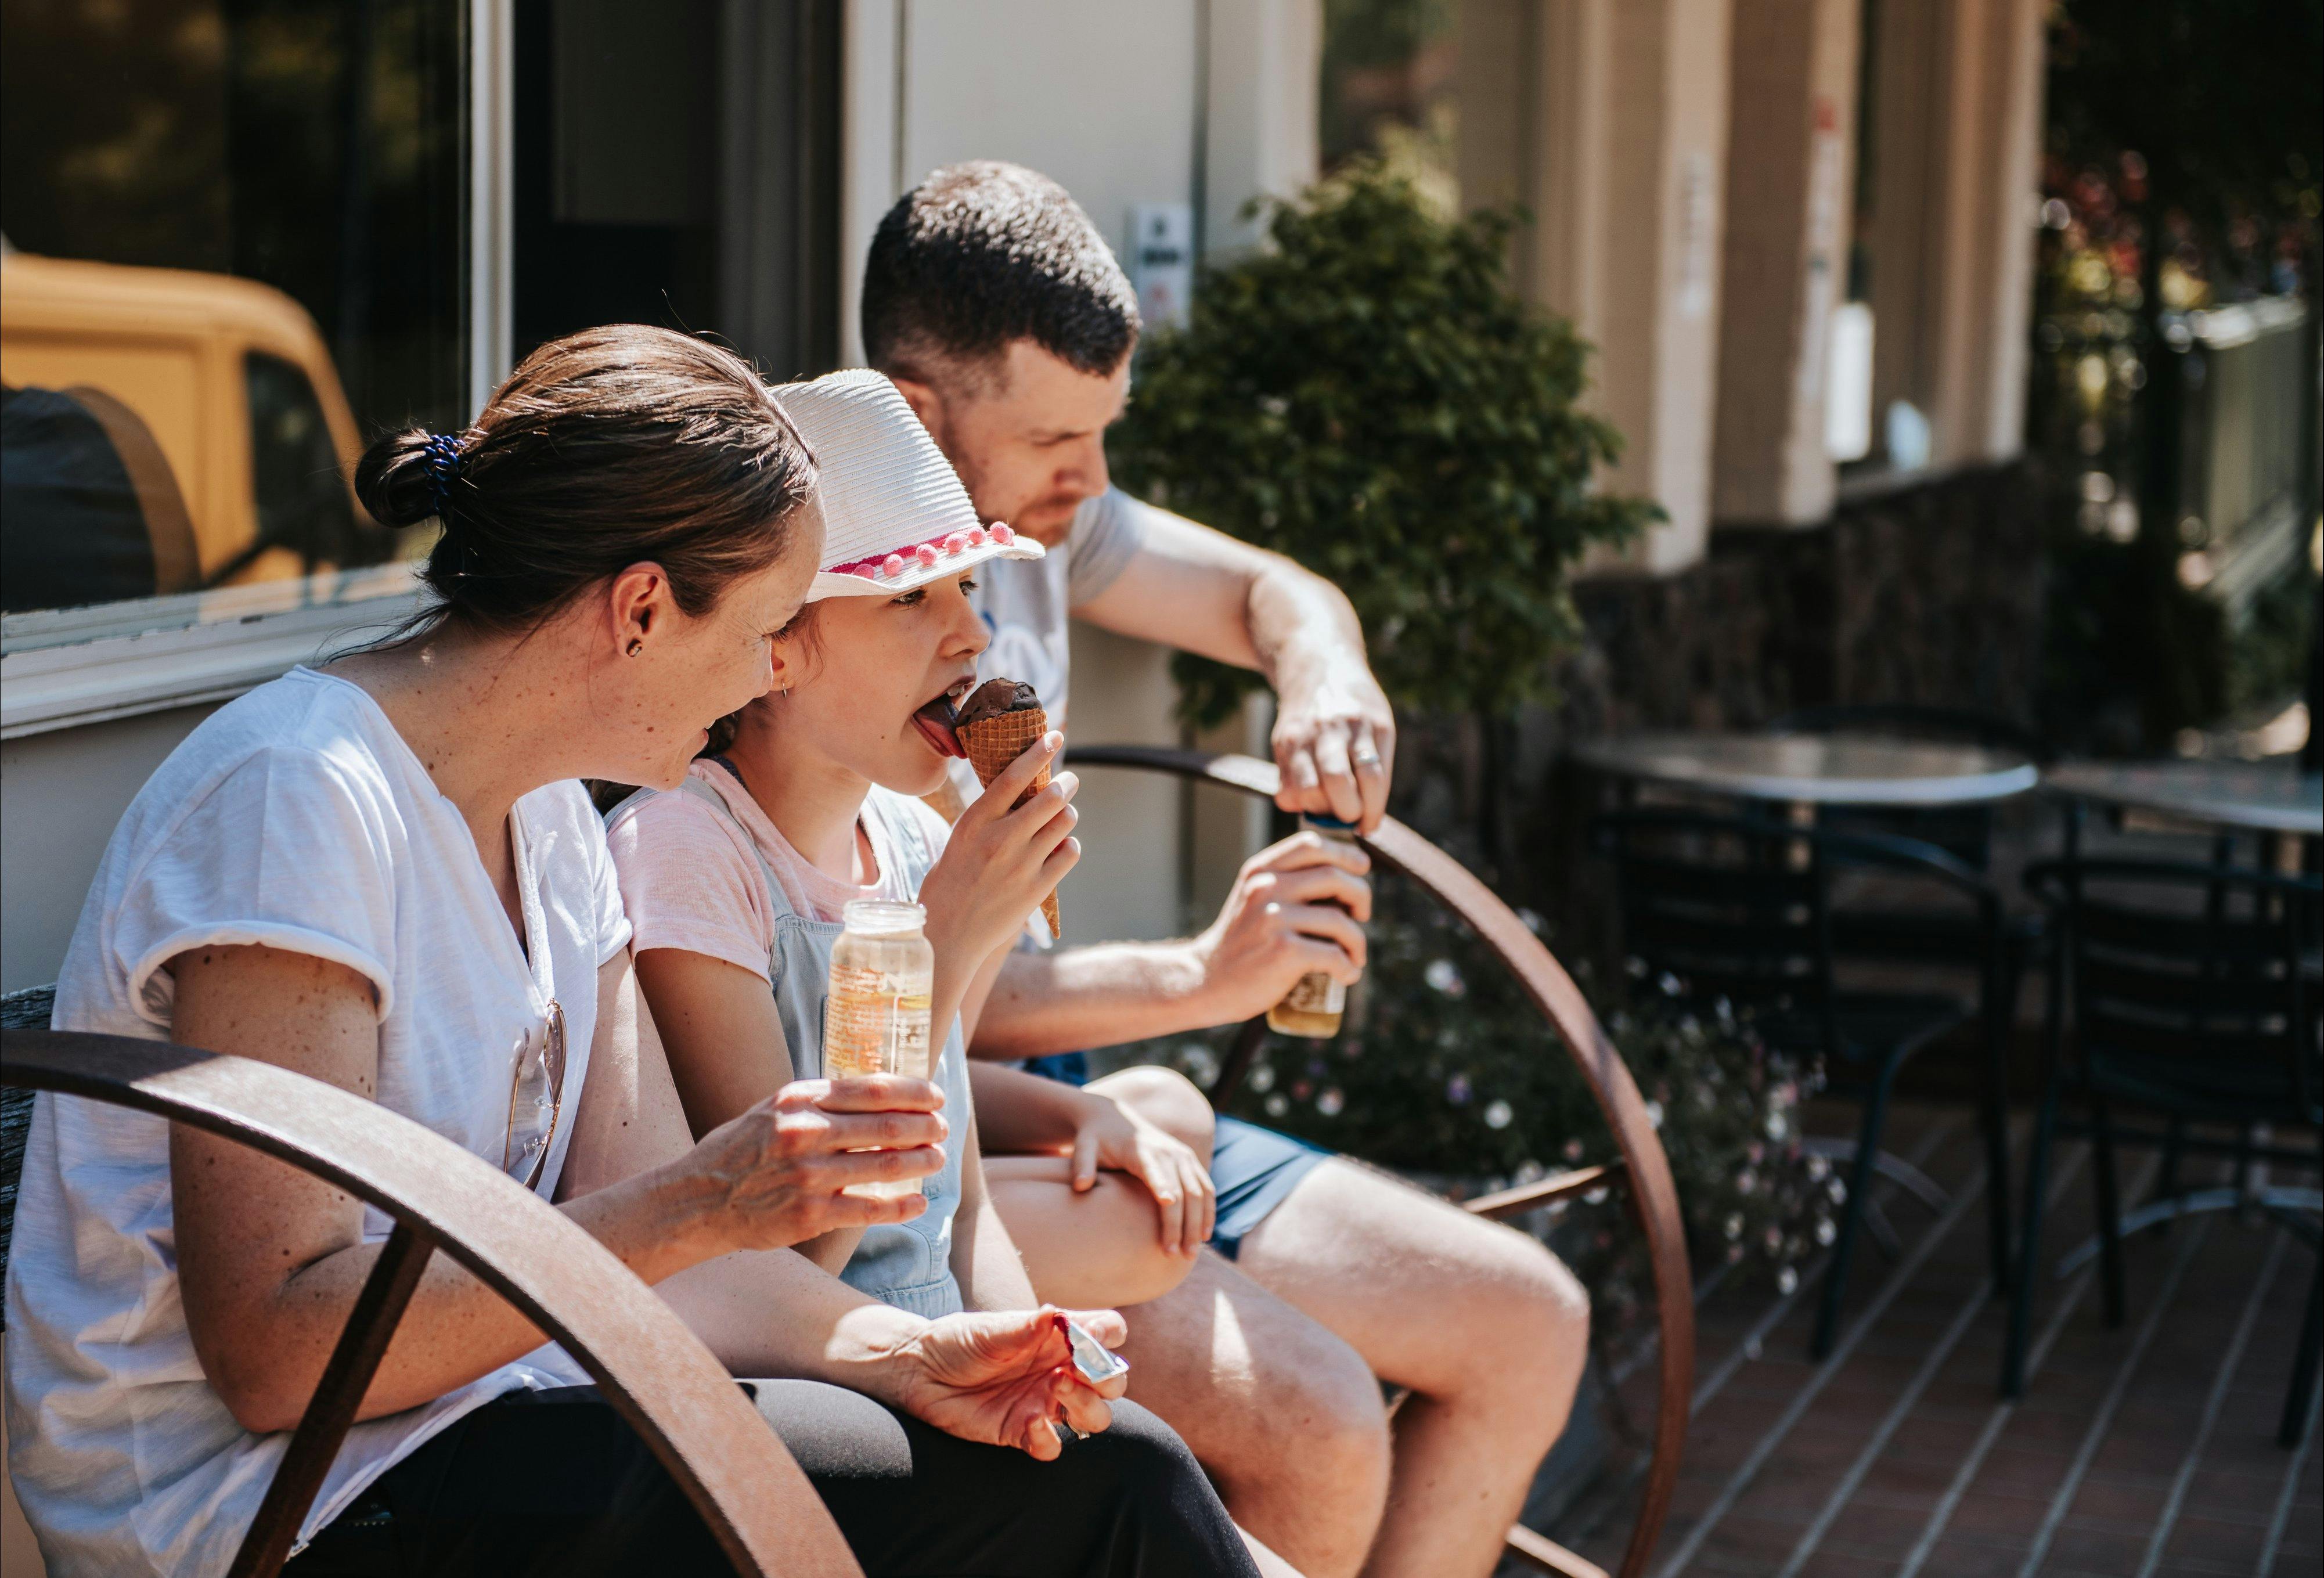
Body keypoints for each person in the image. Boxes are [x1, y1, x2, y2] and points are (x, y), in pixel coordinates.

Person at [0, 326, 1260, 1578]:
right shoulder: (301, 798)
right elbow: (280, 1357)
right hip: (277, 1510)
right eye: (765, 627)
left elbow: (674, 1259)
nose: (766, 675)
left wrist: (904, 1354)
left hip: (497, 1422)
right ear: (643, 609)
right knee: (1102, 1501)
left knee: (1101, 1468)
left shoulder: (552, 820)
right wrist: (702, 1201)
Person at [860, 161, 1592, 1578]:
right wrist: (1205, 977)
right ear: (915, 411)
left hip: (1084, 1119)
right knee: (1320, 1420)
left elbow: (1273, 591)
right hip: (953, 1144)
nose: (1092, 479)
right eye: (1056, 438)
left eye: (1105, 432)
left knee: (1527, 1323)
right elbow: (900, 1008)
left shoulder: (1042, 527)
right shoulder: (837, 618)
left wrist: (1323, 671)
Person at [608, 369, 1293, 1575]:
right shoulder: (684, 852)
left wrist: (1035, 1344)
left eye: (967, 586)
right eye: (910, 595)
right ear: (777, 641)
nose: (971, 634)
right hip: (833, 1412)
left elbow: (961, 1211)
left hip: (957, 1372)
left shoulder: (916, 837)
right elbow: (776, 1267)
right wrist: (937, 957)